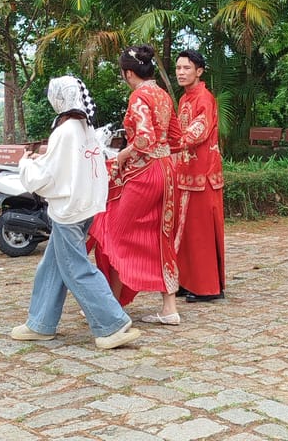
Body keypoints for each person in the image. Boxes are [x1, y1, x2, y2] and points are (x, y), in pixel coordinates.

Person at [10, 75, 141, 350]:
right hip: (85, 204)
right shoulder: (85, 127)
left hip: (69, 209)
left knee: (76, 267)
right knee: (53, 265)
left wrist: (25, 164)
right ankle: (40, 322)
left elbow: (48, 176)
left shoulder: (64, 130)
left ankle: (111, 325)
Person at [89, 44, 182, 326]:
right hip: (167, 172)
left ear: (129, 73)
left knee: (113, 232)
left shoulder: (139, 97)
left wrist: (122, 155)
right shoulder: (163, 96)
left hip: (145, 174)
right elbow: (176, 137)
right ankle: (169, 307)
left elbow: (143, 140)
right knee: (162, 237)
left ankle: (112, 306)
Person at [174, 50, 225, 302]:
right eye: (178, 68)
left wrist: (171, 143)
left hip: (203, 174)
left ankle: (208, 288)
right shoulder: (184, 99)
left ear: (199, 71)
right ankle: (187, 280)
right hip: (186, 172)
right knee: (185, 231)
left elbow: (198, 132)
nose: (181, 72)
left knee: (202, 232)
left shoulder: (204, 98)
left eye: (186, 68)